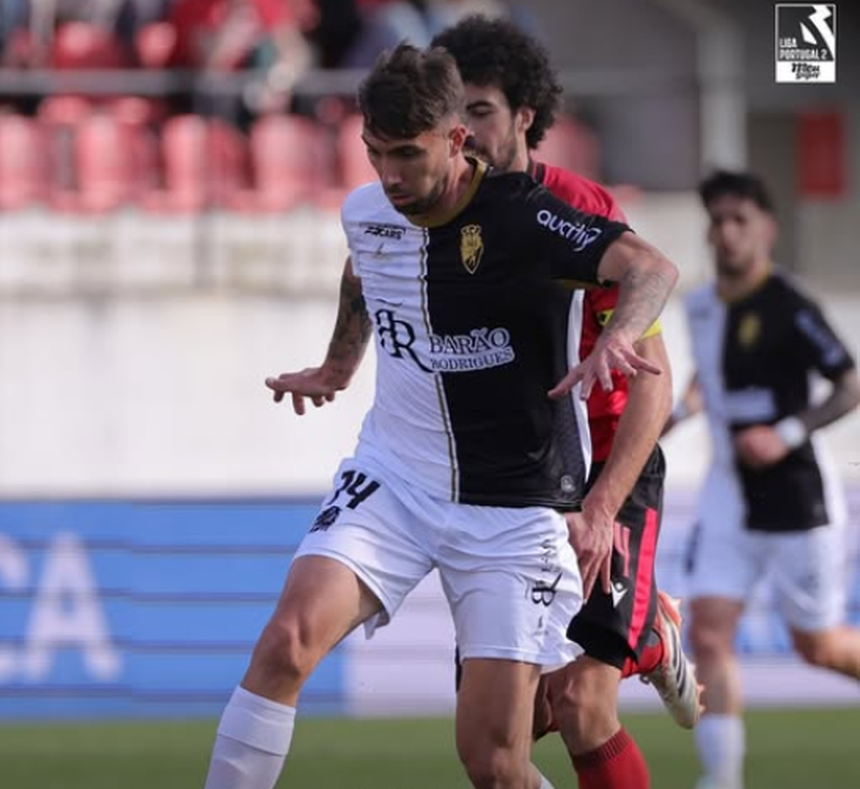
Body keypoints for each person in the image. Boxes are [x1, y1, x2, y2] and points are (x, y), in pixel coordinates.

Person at [201, 42, 678, 789]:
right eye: (374, 153)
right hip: (394, 477)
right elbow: (363, 273)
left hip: (513, 509)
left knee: (494, 763)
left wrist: (618, 334)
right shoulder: (369, 213)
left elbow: (652, 268)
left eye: (407, 156)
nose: (388, 176)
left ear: (456, 141)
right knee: (286, 642)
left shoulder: (528, 220)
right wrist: (337, 366)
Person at [431, 14, 701, 789]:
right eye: (454, 117)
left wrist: (602, 507)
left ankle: (640, 635)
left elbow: (651, 373)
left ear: (525, 115)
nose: (465, 134)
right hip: (515, 491)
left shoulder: (578, 210)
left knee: (583, 701)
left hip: (608, 466)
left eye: (480, 111)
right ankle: (645, 631)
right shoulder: (441, 219)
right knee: (500, 744)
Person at [662, 169, 860, 789]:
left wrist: (787, 434)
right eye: (717, 221)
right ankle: (722, 781)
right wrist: (667, 421)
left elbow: (850, 384)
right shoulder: (697, 307)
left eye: (738, 220)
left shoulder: (790, 305)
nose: (725, 233)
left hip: (798, 499)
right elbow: (708, 383)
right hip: (728, 493)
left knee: (819, 646)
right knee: (710, 631)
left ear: (766, 229)